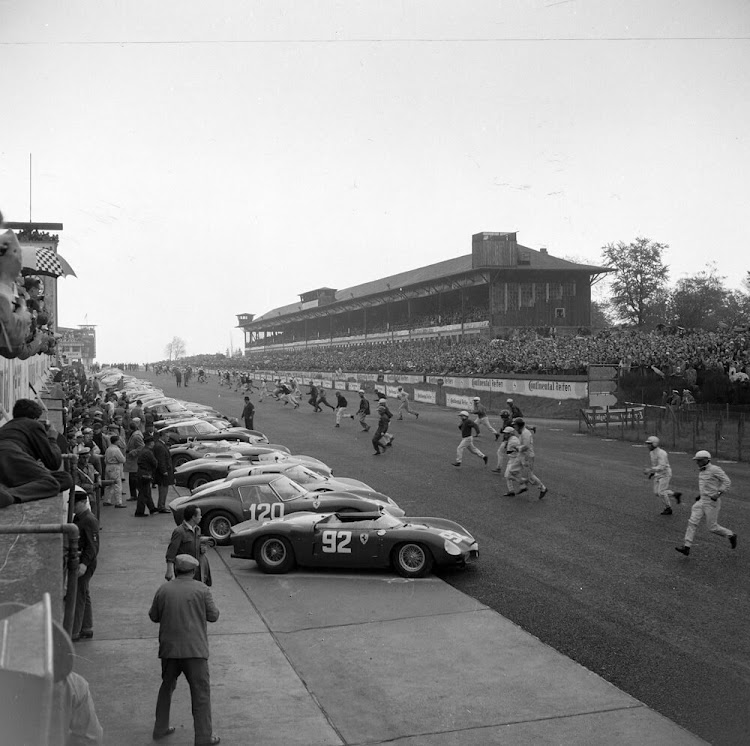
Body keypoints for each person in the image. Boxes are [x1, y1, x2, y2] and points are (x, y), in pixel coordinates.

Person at [149, 554, 220, 745]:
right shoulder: (202, 590)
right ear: (194, 571)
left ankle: (160, 727)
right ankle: (203, 737)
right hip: (195, 651)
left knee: (167, 686)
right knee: (201, 694)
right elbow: (213, 616)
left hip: (169, 650)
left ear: (177, 570)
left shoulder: (163, 589)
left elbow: (153, 616)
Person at [0, 397, 73, 506]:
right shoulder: (33, 425)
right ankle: (9, 495)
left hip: (9, 461)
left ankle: (8, 492)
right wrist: (52, 438)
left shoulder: (7, 426)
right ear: (34, 418)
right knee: (51, 483)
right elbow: (54, 462)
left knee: (65, 478)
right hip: (11, 455)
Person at [675, 450, 738, 556]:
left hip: (712, 502)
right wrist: (700, 495)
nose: (697, 462)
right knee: (692, 522)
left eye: (699, 460)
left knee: (712, 527)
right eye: (696, 460)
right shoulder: (701, 470)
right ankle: (686, 547)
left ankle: (731, 535)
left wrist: (718, 493)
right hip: (701, 501)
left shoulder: (715, 469)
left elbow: (727, 481)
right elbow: (706, 485)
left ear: (706, 460)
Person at [71, 488, 99, 641]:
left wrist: (84, 564)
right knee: (84, 593)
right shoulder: (80, 518)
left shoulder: (88, 520)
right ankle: (86, 627)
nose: (73, 507)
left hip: (85, 561)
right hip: (84, 560)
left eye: (75, 504)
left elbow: (93, 546)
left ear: (82, 503)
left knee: (78, 595)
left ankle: (75, 631)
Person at [165, 504, 212, 586]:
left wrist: (201, 549)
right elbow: (171, 552)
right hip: (184, 570)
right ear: (193, 517)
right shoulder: (179, 532)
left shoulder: (197, 529)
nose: (201, 517)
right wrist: (169, 570)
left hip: (196, 568)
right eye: (199, 515)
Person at [644, 436, 682, 515]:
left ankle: (668, 508)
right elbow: (655, 464)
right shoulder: (651, 452)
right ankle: (674, 494)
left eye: (649, 444)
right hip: (658, 473)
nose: (647, 446)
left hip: (665, 474)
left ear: (654, 444)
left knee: (661, 492)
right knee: (656, 493)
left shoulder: (662, 453)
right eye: (647, 444)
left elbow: (662, 466)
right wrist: (653, 473)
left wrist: (650, 470)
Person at [514, 418, 548, 498]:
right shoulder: (522, 431)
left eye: (515, 425)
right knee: (513, 470)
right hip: (522, 455)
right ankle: (523, 486)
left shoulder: (526, 433)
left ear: (519, 426)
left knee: (530, 476)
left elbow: (526, 446)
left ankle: (543, 488)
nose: (514, 427)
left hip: (528, 456)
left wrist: (517, 448)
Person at [135, 434, 159, 517]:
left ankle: (152, 508)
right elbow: (154, 463)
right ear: (150, 443)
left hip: (141, 473)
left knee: (146, 492)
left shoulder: (143, 450)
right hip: (145, 474)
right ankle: (139, 511)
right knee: (143, 493)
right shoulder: (148, 452)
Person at [153, 430, 174, 513]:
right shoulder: (159, 446)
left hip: (164, 471)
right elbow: (161, 460)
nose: (168, 438)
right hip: (162, 473)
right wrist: (164, 470)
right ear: (162, 436)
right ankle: (161, 506)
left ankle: (162, 505)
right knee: (163, 489)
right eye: (167, 436)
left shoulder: (161, 445)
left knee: (164, 489)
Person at [102, 433, 126, 507]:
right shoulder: (116, 449)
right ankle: (118, 502)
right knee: (117, 485)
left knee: (108, 484)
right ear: (116, 441)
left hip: (108, 466)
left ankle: (107, 500)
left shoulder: (108, 449)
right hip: (115, 466)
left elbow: (105, 459)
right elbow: (122, 459)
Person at [124, 422, 144, 502]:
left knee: (134, 479)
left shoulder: (136, 437)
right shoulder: (134, 435)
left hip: (134, 460)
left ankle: (138, 494)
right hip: (132, 460)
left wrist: (133, 452)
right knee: (132, 478)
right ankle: (134, 495)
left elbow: (141, 447)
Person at [501, 426, 524, 495]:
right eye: (505, 433)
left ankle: (523, 483)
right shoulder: (511, 439)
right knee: (509, 475)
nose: (505, 435)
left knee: (508, 475)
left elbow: (518, 449)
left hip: (515, 460)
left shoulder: (513, 441)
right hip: (512, 459)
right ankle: (511, 491)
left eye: (506, 433)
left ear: (511, 434)